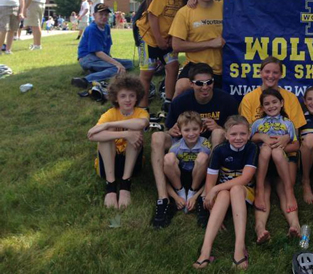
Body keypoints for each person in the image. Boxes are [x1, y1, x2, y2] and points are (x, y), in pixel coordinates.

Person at [150, 63, 238, 228]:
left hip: (208, 148)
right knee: (156, 136)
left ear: (213, 82)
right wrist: (173, 130)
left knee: (219, 133)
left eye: (209, 82)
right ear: (191, 84)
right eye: (199, 83)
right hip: (182, 145)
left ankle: (205, 195)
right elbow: (170, 129)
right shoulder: (180, 101)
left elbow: (236, 133)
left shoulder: (226, 100)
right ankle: (163, 199)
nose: (205, 87)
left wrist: (218, 127)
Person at [239, 56, 306, 243]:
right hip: (260, 157)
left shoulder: (290, 99)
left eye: (275, 72)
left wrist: (285, 140)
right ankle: (260, 228)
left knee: (285, 186)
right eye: (267, 71)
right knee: (265, 186)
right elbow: (246, 136)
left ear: (281, 74)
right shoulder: (249, 99)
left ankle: (295, 225)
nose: (270, 75)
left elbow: (295, 142)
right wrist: (261, 136)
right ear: (260, 73)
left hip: (285, 157)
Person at [193, 115, 258, 270]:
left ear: (249, 134)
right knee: (223, 193)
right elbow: (210, 181)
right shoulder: (219, 150)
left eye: (242, 134)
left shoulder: (252, 147)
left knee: (235, 189)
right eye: (234, 134)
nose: (238, 138)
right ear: (226, 135)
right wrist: (211, 206)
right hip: (223, 193)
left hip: (244, 191)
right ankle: (205, 251)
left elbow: (245, 178)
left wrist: (215, 188)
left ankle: (239, 248)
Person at [86, 74, 149, 209]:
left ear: (137, 96)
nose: (128, 100)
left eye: (132, 95)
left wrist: (108, 126)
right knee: (106, 139)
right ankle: (111, 186)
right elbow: (91, 135)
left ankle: (126, 184)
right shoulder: (110, 114)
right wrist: (124, 133)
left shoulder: (140, 112)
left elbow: (142, 124)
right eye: (123, 96)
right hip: (109, 164)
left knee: (135, 134)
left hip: (132, 164)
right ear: (115, 98)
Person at [136, 0, 190, 111]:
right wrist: (158, 39)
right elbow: (153, 16)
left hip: (167, 39)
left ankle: (168, 100)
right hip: (148, 37)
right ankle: (143, 107)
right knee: (147, 73)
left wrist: (171, 37)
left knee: (173, 66)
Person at [170, 0, 224, 95]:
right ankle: (172, 113)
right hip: (195, 66)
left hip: (221, 68)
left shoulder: (225, 6)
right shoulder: (185, 12)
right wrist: (210, 43)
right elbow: (176, 46)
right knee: (181, 87)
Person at [251, 88, 299, 214]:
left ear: (281, 103)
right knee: (266, 150)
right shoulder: (257, 123)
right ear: (262, 107)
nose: (271, 106)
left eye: (274, 102)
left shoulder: (288, 123)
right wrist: (262, 136)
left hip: (281, 159)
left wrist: (284, 141)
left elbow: (296, 145)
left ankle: (289, 191)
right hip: (263, 159)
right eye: (267, 104)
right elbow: (249, 140)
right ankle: (260, 189)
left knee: (276, 152)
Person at [72, 4, 134, 88]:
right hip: (87, 58)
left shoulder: (107, 27)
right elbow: (98, 53)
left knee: (129, 63)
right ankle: (85, 80)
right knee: (116, 69)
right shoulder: (92, 29)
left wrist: (111, 61)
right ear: (94, 15)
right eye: (101, 14)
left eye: (106, 14)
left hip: (97, 57)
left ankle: (95, 70)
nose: (104, 17)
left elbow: (107, 48)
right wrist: (116, 64)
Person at [163, 111, 211, 213]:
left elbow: (212, 171)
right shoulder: (176, 147)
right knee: (168, 158)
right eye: (186, 130)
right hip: (181, 175)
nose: (191, 133)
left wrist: (195, 195)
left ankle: (192, 192)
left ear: (201, 129)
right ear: (180, 131)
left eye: (195, 129)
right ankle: (180, 192)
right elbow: (166, 172)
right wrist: (176, 197)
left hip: (199, 175)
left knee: (203, 157)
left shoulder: (206, 146)